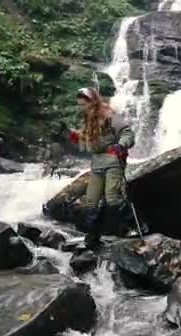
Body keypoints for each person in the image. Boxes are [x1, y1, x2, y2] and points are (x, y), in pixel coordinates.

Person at [67, 87, 135, 249]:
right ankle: (93, 236)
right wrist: (75, 136)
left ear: (93, 101)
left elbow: (128, 133)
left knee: (112, 197)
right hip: (97, 163)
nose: (82, 108)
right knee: (90, 202)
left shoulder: (109, 114)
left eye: (84, 104)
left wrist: (121, 145)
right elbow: (87, 138)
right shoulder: (88, 118)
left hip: (112, 160)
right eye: (80, 105)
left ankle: (134, 226)